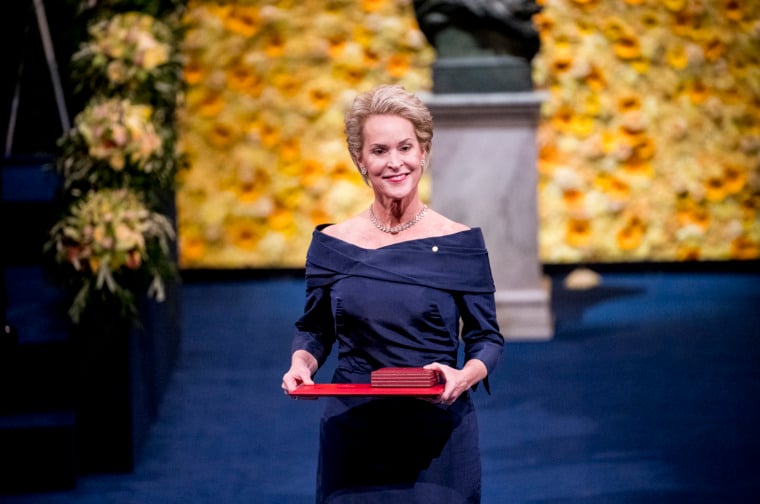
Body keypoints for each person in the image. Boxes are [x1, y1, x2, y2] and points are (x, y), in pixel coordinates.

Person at [281, 84, 504, 503]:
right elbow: (314, 330)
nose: (395, 162)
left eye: (405, 147)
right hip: (353, 431)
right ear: (360, 161)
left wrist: (464, 376)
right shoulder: (332, 244)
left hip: (437, 433)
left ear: (424, 152)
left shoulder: (459, 243)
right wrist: (300, 363)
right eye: (380, 151)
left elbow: (486, 339)